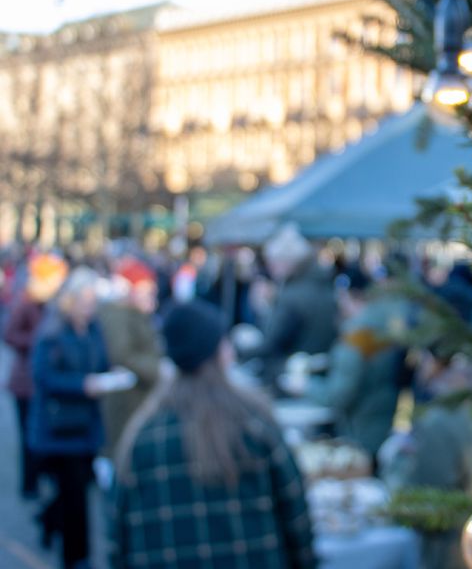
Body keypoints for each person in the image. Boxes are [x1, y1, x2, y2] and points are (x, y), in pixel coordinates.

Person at [112, 299, 317, 569]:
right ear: (220, 351)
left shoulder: (142, 435)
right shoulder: (253, 423)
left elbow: (118, 538)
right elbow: (296, 518)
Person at [28, 265, 111, 569]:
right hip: (58, 427)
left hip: (85, 424)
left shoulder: (93, 328)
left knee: (75, 490)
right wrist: (82, 385)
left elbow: (102, 361)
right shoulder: (53, 331)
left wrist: (105, 379)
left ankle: (49, 522)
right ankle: (77, 556)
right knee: (74, 496)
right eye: (85, 302)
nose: (89, 308)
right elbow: (43, 376)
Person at [286, 264, 410, 464]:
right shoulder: (388, 321)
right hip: (383, 417)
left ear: (348, 296)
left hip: (361, 427)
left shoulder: (356, 335)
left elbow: (338, 395)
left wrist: (305, 387)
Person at [4, 252, 69, 499]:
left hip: (40, 381)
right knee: (28, 436)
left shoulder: (54, 302)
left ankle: (41, 479)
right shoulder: (27, 301)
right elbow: (10, 334)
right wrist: (38, 343)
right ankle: (29, 484)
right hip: (24, 382)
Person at [239, 222, 337, 385]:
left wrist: (240, 351)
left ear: (287, 262)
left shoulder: (291, 296)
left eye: (273, 262)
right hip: (319, 372)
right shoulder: (323, 284)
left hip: (291, 375)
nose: (271, 268)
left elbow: (272, 342)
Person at [97, 256, 162, 458]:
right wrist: (158, 371)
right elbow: (122, 354)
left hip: (137, 392)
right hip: (126, 396)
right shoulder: (117, 315)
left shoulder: (132, 312)